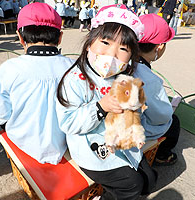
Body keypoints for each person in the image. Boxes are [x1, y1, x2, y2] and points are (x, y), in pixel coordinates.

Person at [56, 4, 157, 199]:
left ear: (131, 57)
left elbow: (135, 115)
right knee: (131, 185)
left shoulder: (123, 76)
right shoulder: (75, 79)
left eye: (122, 48)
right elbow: (68, 122)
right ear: (89, 44)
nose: (112, 54)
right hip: (90, 148)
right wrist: (101, 107)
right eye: (105, 42)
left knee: (149, 180)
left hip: (119, 142)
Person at [0, 2, 75, 165]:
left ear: (20, 38)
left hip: (23, 141)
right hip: (66, 142)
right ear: (60, 37)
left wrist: (7, 122)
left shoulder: (10, 68)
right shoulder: (74, 66)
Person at [137, 13, 180, 165]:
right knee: (174, 122)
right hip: (136, 129)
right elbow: (161, 116)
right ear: (159, 46)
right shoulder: (150, 79)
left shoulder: (124, 61)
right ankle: (162, 155)